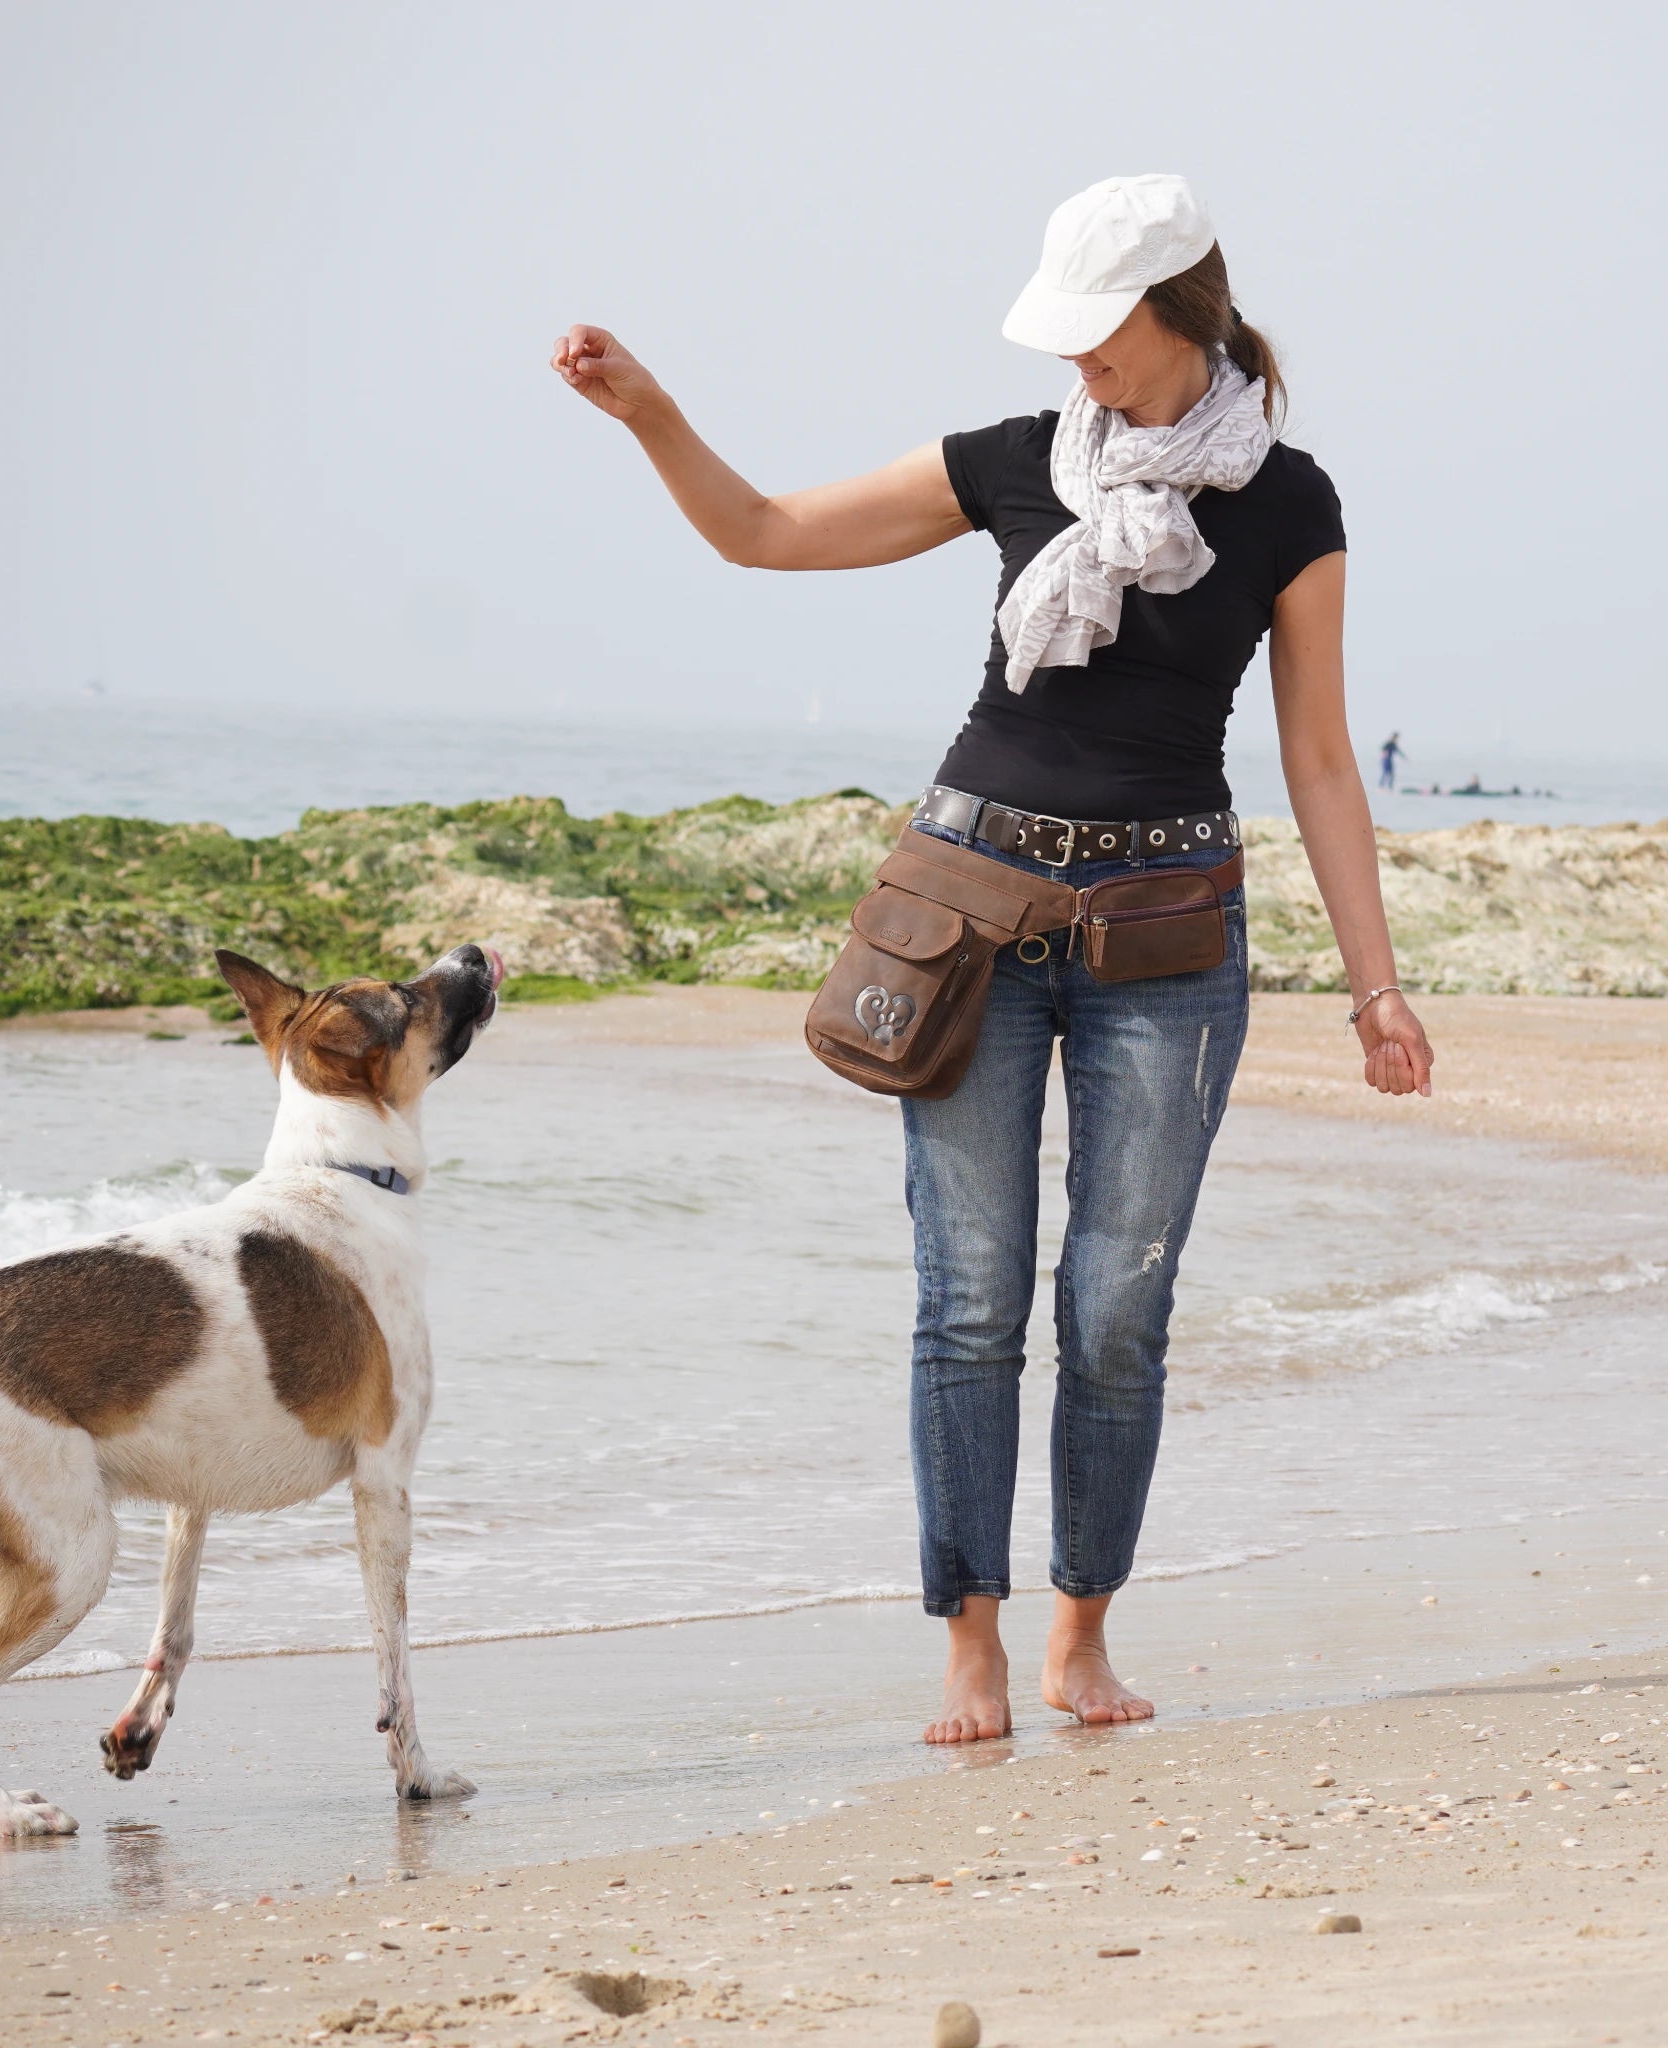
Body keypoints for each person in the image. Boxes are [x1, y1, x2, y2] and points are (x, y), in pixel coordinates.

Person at [551, 173, 1434, 1739]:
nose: (1076, 363)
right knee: (968, 1298)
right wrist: (651, 414)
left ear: (1184, 315)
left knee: (1115, 1304)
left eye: (1099, 334)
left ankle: (1080, 1637)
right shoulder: (1018, 461)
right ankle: (968, 1644)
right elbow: (762, 534)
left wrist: (1377, 986)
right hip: (967, 910)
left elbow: (1316, 755)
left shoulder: (1291, 502)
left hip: (1166, 929)